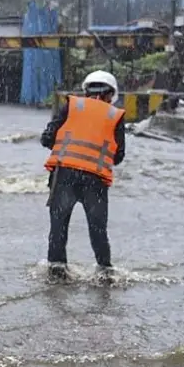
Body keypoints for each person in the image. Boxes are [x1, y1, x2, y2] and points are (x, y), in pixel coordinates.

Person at [41, 70, 127, 281]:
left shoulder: (71, 106)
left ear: (86, 90)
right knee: (98, 230)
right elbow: (118, 157)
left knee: (58, 227)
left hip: (64, 175)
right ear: (110, 95)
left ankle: (56, 272)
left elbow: (47, 138)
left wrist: (66, 149)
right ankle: (105, 274)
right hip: (95, 180)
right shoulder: (115, 115)